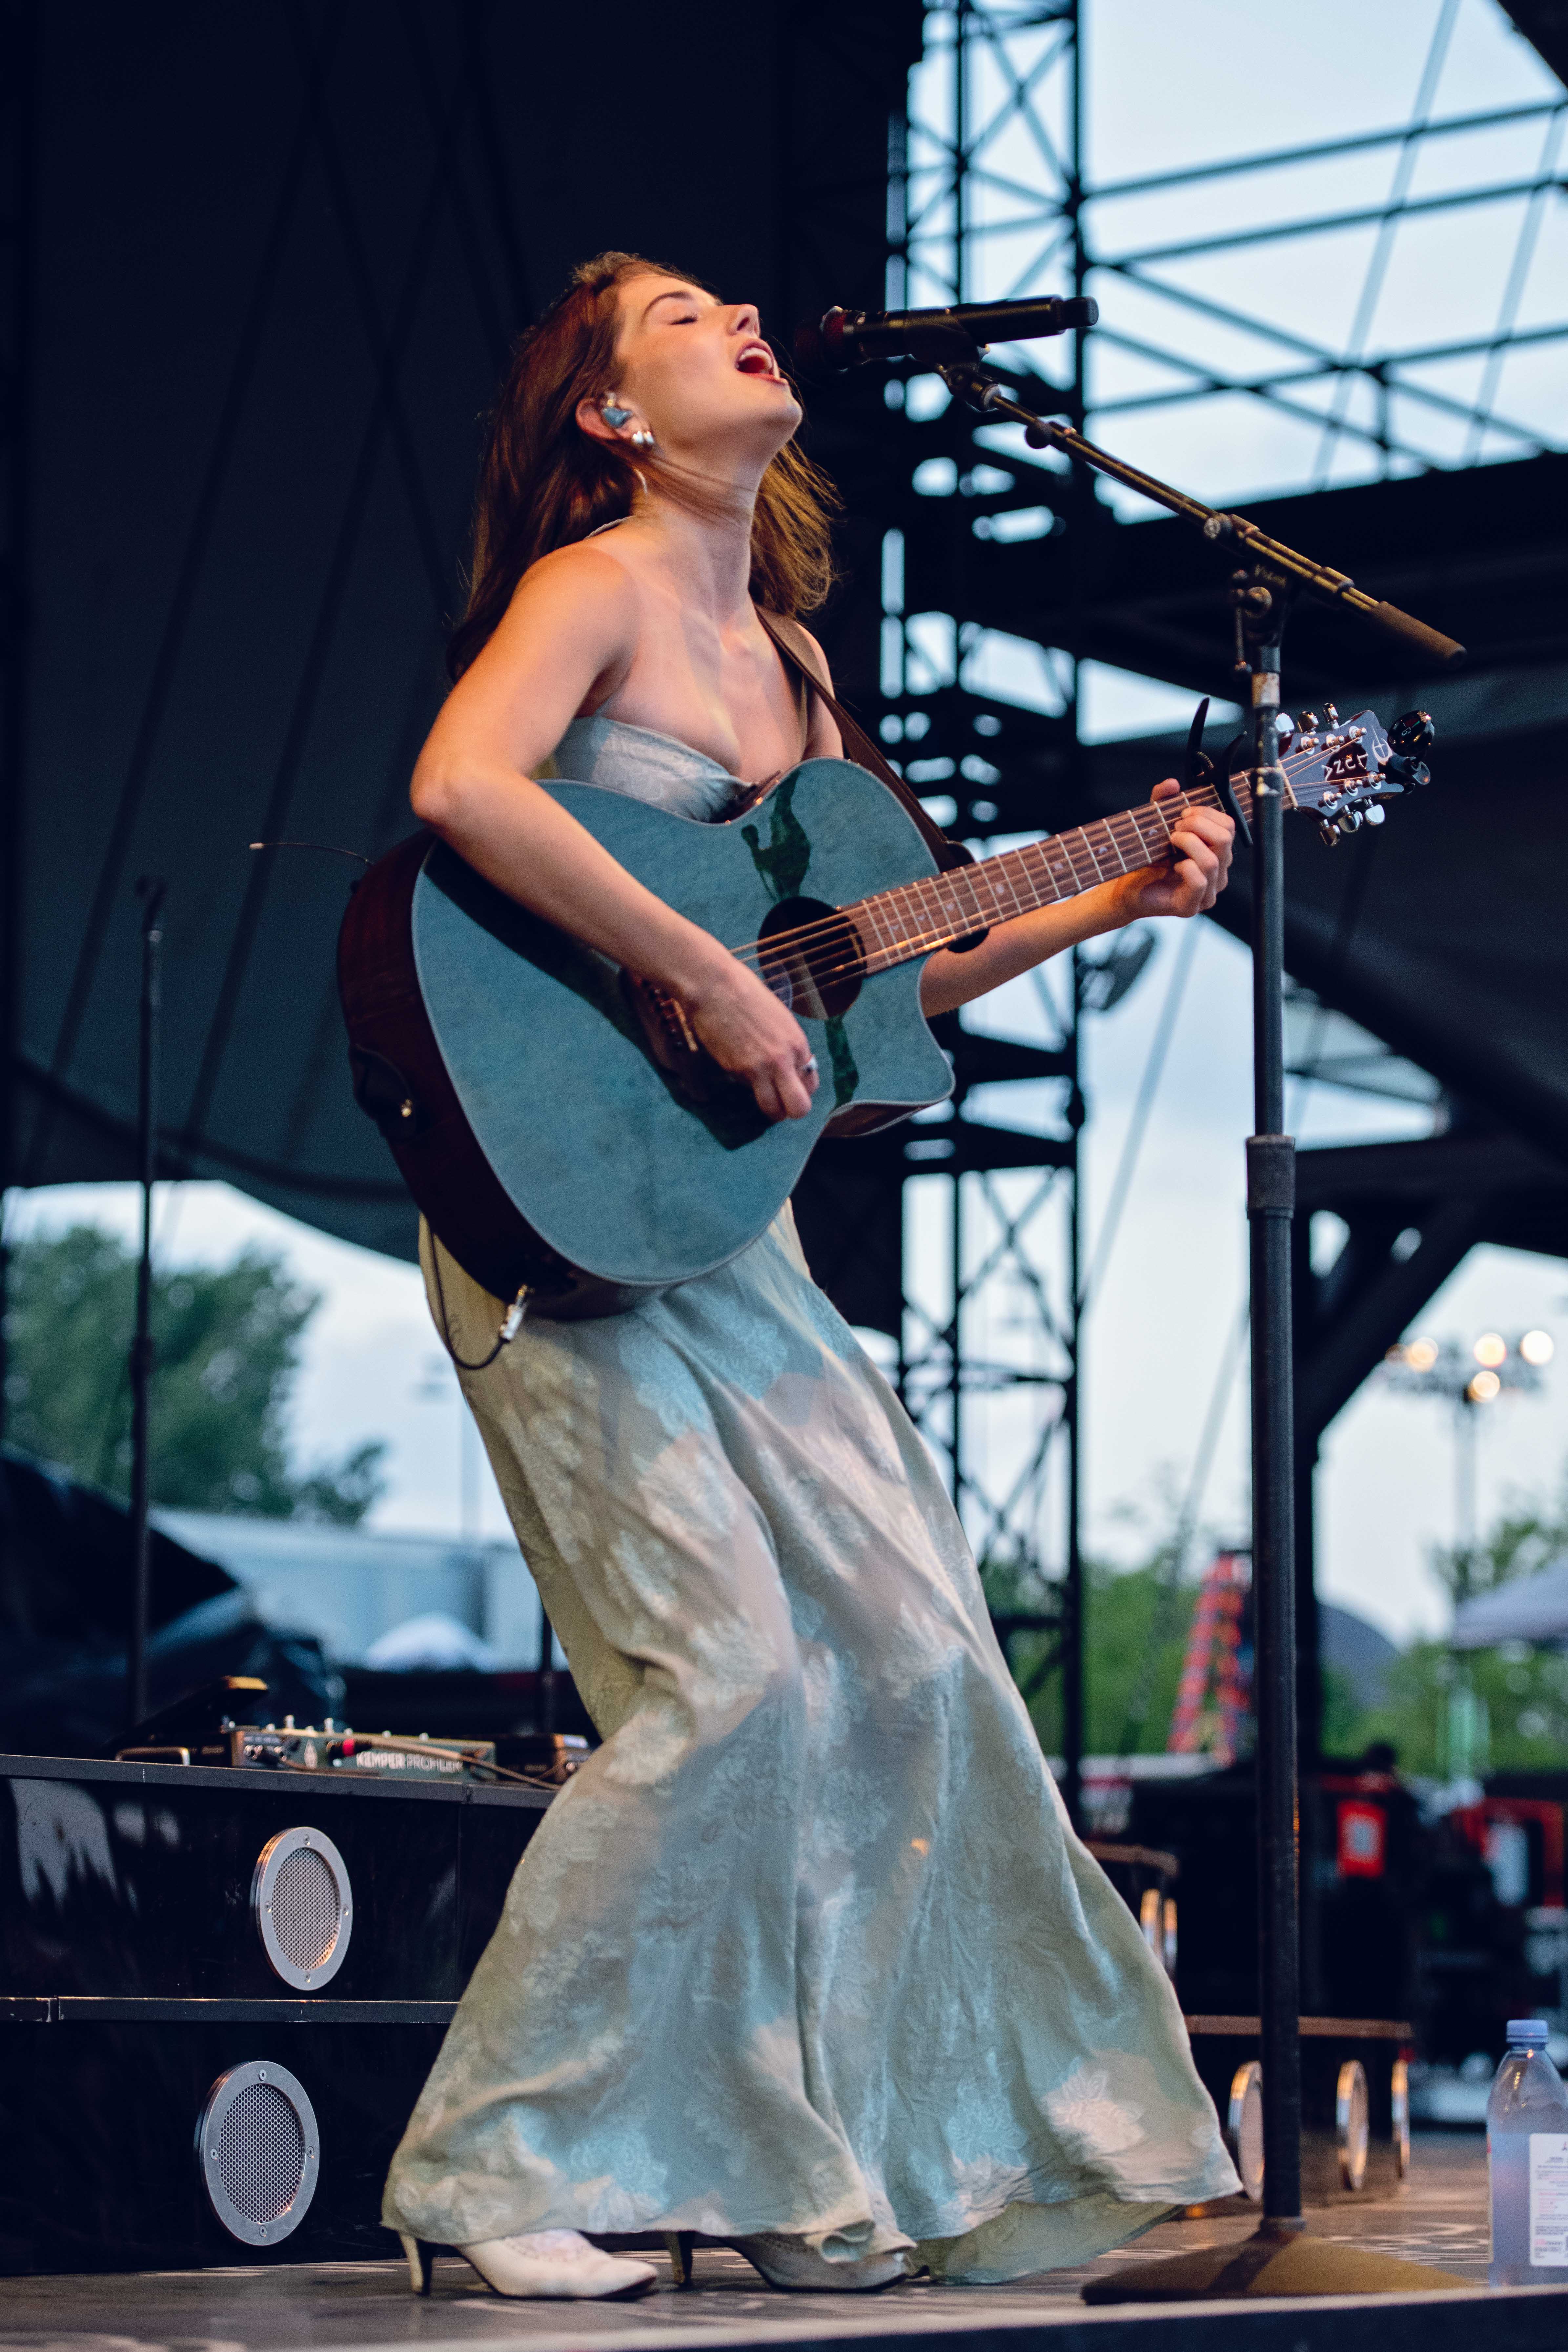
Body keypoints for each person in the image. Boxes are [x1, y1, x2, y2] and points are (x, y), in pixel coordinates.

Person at [382, 251, 1240, 2302]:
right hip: (557, 1202)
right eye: (680, 316)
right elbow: (461, 785)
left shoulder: (796, 663)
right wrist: (697, 969)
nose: (737, 319)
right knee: (733, 1675)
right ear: (613, 413)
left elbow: (875, 975)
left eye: (729, 303)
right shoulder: (591, 585)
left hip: (730, 1237)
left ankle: (807, 2155)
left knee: (920, 1661)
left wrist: (1117, 890)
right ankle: (490, 2170)